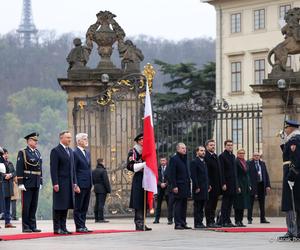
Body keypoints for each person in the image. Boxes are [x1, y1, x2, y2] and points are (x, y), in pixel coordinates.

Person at [50, 131, 79, 235]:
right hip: (60, 183)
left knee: (65, 205)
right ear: (61, 138)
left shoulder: (70, 151)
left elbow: (73, 169)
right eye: (67, 137)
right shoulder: (55, 151)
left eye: (70, 138)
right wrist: (55, 183)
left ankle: (63, 227)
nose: (69, 140)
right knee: (58, 206)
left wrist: (75, 183)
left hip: (69, 183)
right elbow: (53, 169)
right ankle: (57, 228)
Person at [278, 120, 300, 241]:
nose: (285, 129)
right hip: (294, 174)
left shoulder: (294, 140)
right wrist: (283, 142)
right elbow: (289, 154)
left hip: (291, 174)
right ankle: (297, 232)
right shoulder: (293, 139)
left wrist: (291, 176)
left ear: (291, 128)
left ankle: (292, 232)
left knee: (290, 203)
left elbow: (296, 159)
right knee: (296, 203)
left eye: (286, 127)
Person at [16, 132, 42, 233]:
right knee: (26, 205)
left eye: (36, 141)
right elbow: (19, 167)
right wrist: (20, 182)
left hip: (35, 181)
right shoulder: (22, 152)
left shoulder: (37, 152)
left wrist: (40, 181)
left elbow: (40, 168)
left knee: (33, 205)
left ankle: (33, 225)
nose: (36, 142)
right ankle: (26, 226)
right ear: (29, 141)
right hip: (27, 182)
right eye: (34, 140)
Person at [126, 133, 151, 231]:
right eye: (141, 140)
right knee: (138, 201)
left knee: (145, 201)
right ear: (138, 141)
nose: (143, 141)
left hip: (147, 177)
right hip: (139, 178)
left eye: (144, 140)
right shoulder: (133, 151)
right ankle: (138, 223)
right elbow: (130, 166)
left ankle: (143, 222)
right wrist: (143, 164)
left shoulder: (148, 152)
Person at [168, 142, 192, 230]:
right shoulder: (174, 159)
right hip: (178, 185)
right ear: (178, 149)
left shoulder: (185, 158)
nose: (184, 150)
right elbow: (172, 174)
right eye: (182, 148)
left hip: (185, 185)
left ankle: (183, 222)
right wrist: (174, 186)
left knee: (184, 205)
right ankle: (177, 223)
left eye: (185, 148)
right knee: (178, 205)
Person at [73, 133, 93, 233]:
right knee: (79, 206)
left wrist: (91, 183)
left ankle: (83, 225)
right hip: (80, 184)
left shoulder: (87, 152)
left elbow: (89, 169)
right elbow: (74, 170)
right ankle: (78, 226)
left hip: (88, 183)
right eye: (84, 139)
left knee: (85, 206)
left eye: (86, 138)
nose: (86, 140)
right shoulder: (75, 153)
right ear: (79, 141)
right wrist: (75, 184)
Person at [247, 152, 271, 224]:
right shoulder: (249, 163)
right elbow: (247, 175)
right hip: (253, 185)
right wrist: (249, 185)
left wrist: (268, 185)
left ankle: (262, 219)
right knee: (250, 203)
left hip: (261, 185)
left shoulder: (262, 164)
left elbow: (266, 174)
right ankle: (249, 219)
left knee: (262, 203)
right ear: (253, 156)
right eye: (255, 155)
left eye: (258, 155)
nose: (257, 157)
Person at [204, 139, 223, 228]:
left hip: (216, 185)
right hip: (210, 185)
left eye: (214, 145)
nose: (213, 147)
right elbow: (206, 172)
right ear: (207, 146)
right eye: (211, 145)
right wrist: (208, 184)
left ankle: (213, 220)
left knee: (214, 204)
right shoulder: (206, 156)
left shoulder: (215, 156)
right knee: (209, 204)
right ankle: (209, 222)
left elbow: (219, 171)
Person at [218, 140, 237, 227]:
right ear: (225, 146)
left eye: (231, 145)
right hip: (226, 183)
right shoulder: (222, 156)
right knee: (225, 203)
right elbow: (221, 171)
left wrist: (236, 184)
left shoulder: (233, 156)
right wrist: (223, 183)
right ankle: (223, 220)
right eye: (228, 145)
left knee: (230, 203)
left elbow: (234, 172)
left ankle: (228, 220)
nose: (230, 147)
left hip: (233, 183)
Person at [190, 146, 210, 229]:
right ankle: (197, 223)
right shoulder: (194, 162)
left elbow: (206, 175)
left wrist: (208, 185)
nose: (203, 152)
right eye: (201, 151)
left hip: (204, 187)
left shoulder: (204, 162)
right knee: (198, 206)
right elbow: (193, 176)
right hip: (198, 188)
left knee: (202, 206)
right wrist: (197, 186)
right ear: (197, 152)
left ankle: (200, 222)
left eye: (204, 151)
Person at [233, 149, 251, 227]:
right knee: (238, 204)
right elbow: (235, 175)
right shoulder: (236, 162)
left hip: (245, 185)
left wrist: (249, 184)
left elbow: (247, 175)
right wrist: (237, 186)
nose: (242, 154)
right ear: (237, 154)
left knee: (243, 204)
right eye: (240, 153)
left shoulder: (245, 162)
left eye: (243, 153)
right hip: (239, 184)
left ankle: (241, 221)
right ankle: (237, 221)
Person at [92, 158, 111, 223]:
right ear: (101, 162)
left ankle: (96, 218)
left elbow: (93, 180)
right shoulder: (103, 171)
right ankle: (101, 218)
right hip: (102, 189)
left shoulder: (94, 171)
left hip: (96, 188)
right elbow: (106, 181)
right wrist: (108, 190)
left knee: (97, 203)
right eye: (104, 162)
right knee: (101, 204)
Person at [2, 148, 16, 228]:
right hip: (2, 185)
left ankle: (8, 222)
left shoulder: (10, 163)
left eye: (7, 153)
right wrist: (4, 176)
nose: (6, 155)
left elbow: (15, 172)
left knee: (8, 205)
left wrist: (10, 175)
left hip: (9, 185)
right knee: (2, 205)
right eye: (4, 154)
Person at [153, 157, 170, 224]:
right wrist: (160, 184)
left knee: (169, 205)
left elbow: (171, 177)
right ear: (160, 162)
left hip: (167, 188)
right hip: (159, 188)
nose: (163, 162)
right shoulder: (157, 169)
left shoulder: (169, 169)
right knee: (158, 205)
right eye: (161, 161)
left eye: (164, 160)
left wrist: (166, 184)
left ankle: (170, 219)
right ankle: (157, 219)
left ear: (166, 161)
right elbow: (155, 178)